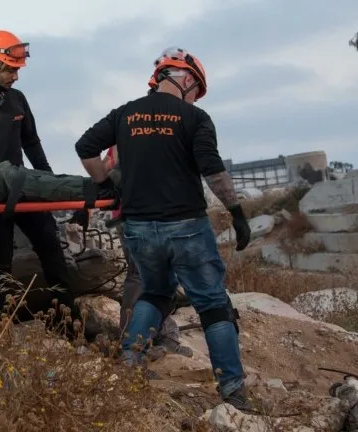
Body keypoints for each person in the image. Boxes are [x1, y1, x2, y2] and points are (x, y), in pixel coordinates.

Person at [73, 47, 253, 410]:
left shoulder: (125, 114)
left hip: (139, 229)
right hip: (186, 226)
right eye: (196, 90)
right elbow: (212, 170)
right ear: (186, 80)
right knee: (213, 304)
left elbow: (85, 146)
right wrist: (236, 212)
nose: (195, 97)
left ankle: (129, 363)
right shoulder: (195, 117)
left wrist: (105, 183)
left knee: (154, 294)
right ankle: (233, 391)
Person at [0, 29, 79, 313]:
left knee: (50, 243)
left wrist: (49, 183)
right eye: (11, 70)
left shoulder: (18, 99)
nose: (16, 76)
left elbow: (32, 144)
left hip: (23, 187)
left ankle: (67, 316)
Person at [101, 147, 192, 359]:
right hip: (143, 215)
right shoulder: (141, 132)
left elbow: (104, 170)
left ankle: (156, 335)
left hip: (127, 214)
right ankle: (132, 349)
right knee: (141, 278)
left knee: (145, 278)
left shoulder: (121, 137)